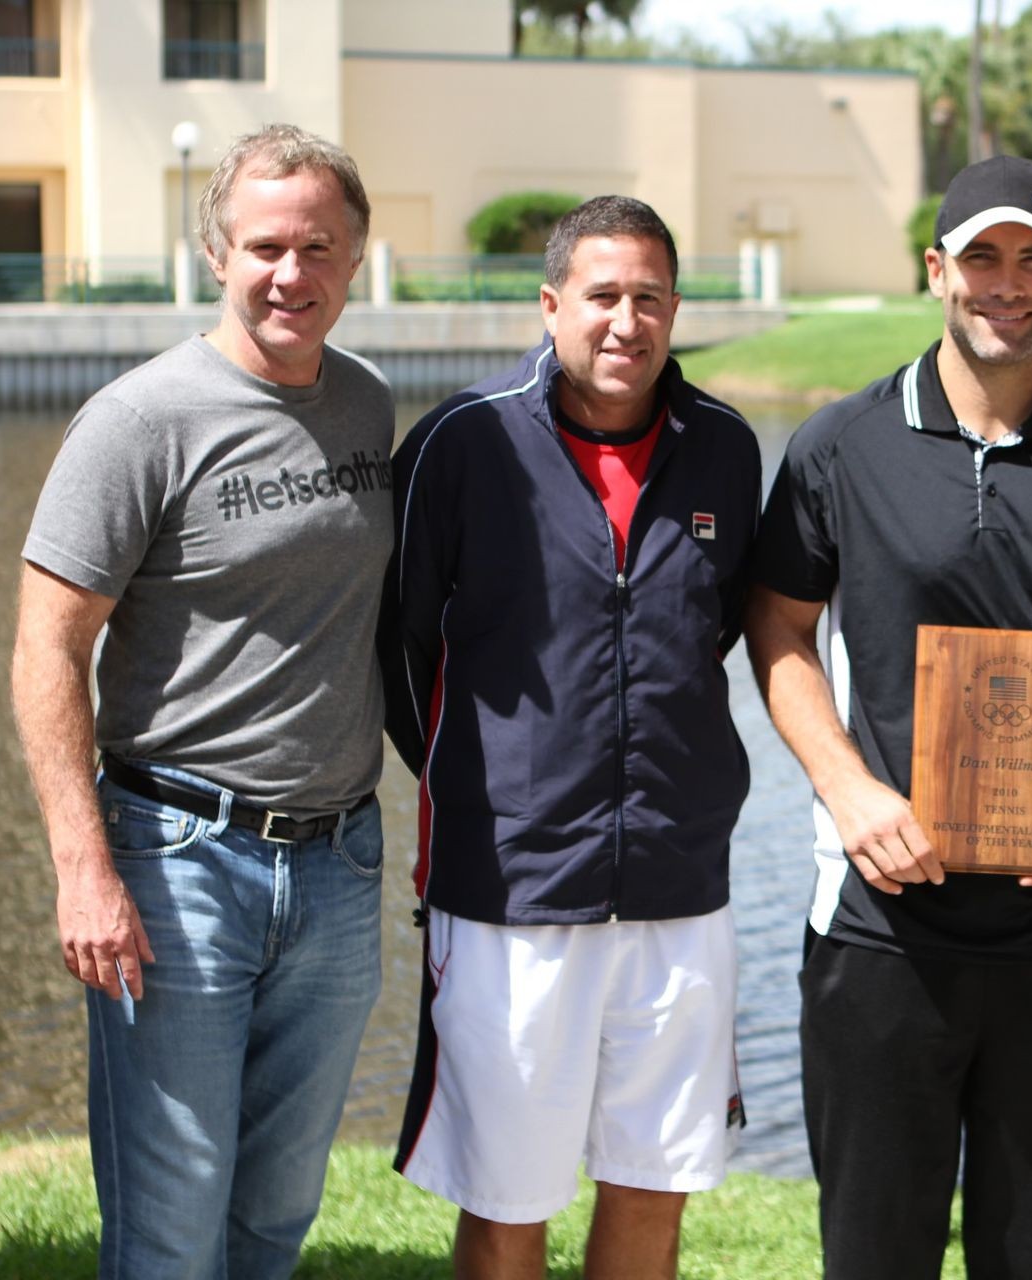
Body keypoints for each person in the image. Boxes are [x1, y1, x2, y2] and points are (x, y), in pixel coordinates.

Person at [744, 155, 1032, 1279]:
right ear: (935, 270)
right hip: (882, 931)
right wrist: (849, 787)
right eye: (982, 257)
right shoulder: (840, 445)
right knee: (875, 1256)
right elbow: (777, 629)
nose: (1007, 284)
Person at [10, 124, 391, 1280]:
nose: (292, 272)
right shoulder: (139, 421)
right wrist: (85, 868)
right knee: (171, 1227)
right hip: (179, 861)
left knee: (276, 1209)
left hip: (338, 861)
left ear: (354, 261)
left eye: (319, 247)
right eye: (267, 245)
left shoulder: (367, 408)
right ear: (217, 254)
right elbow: (45, 651)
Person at [382, 194, 760, 1279]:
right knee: (509, 1195)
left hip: (681, 885)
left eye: (649, 298)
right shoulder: (463, 443)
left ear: (676, 307)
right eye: (602, 296)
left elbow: (714, 630)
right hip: (512, 891)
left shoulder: (727, 450)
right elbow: (404, 652)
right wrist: (495, 780)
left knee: (654, 1180)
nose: (625, 322)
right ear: (551, 305)